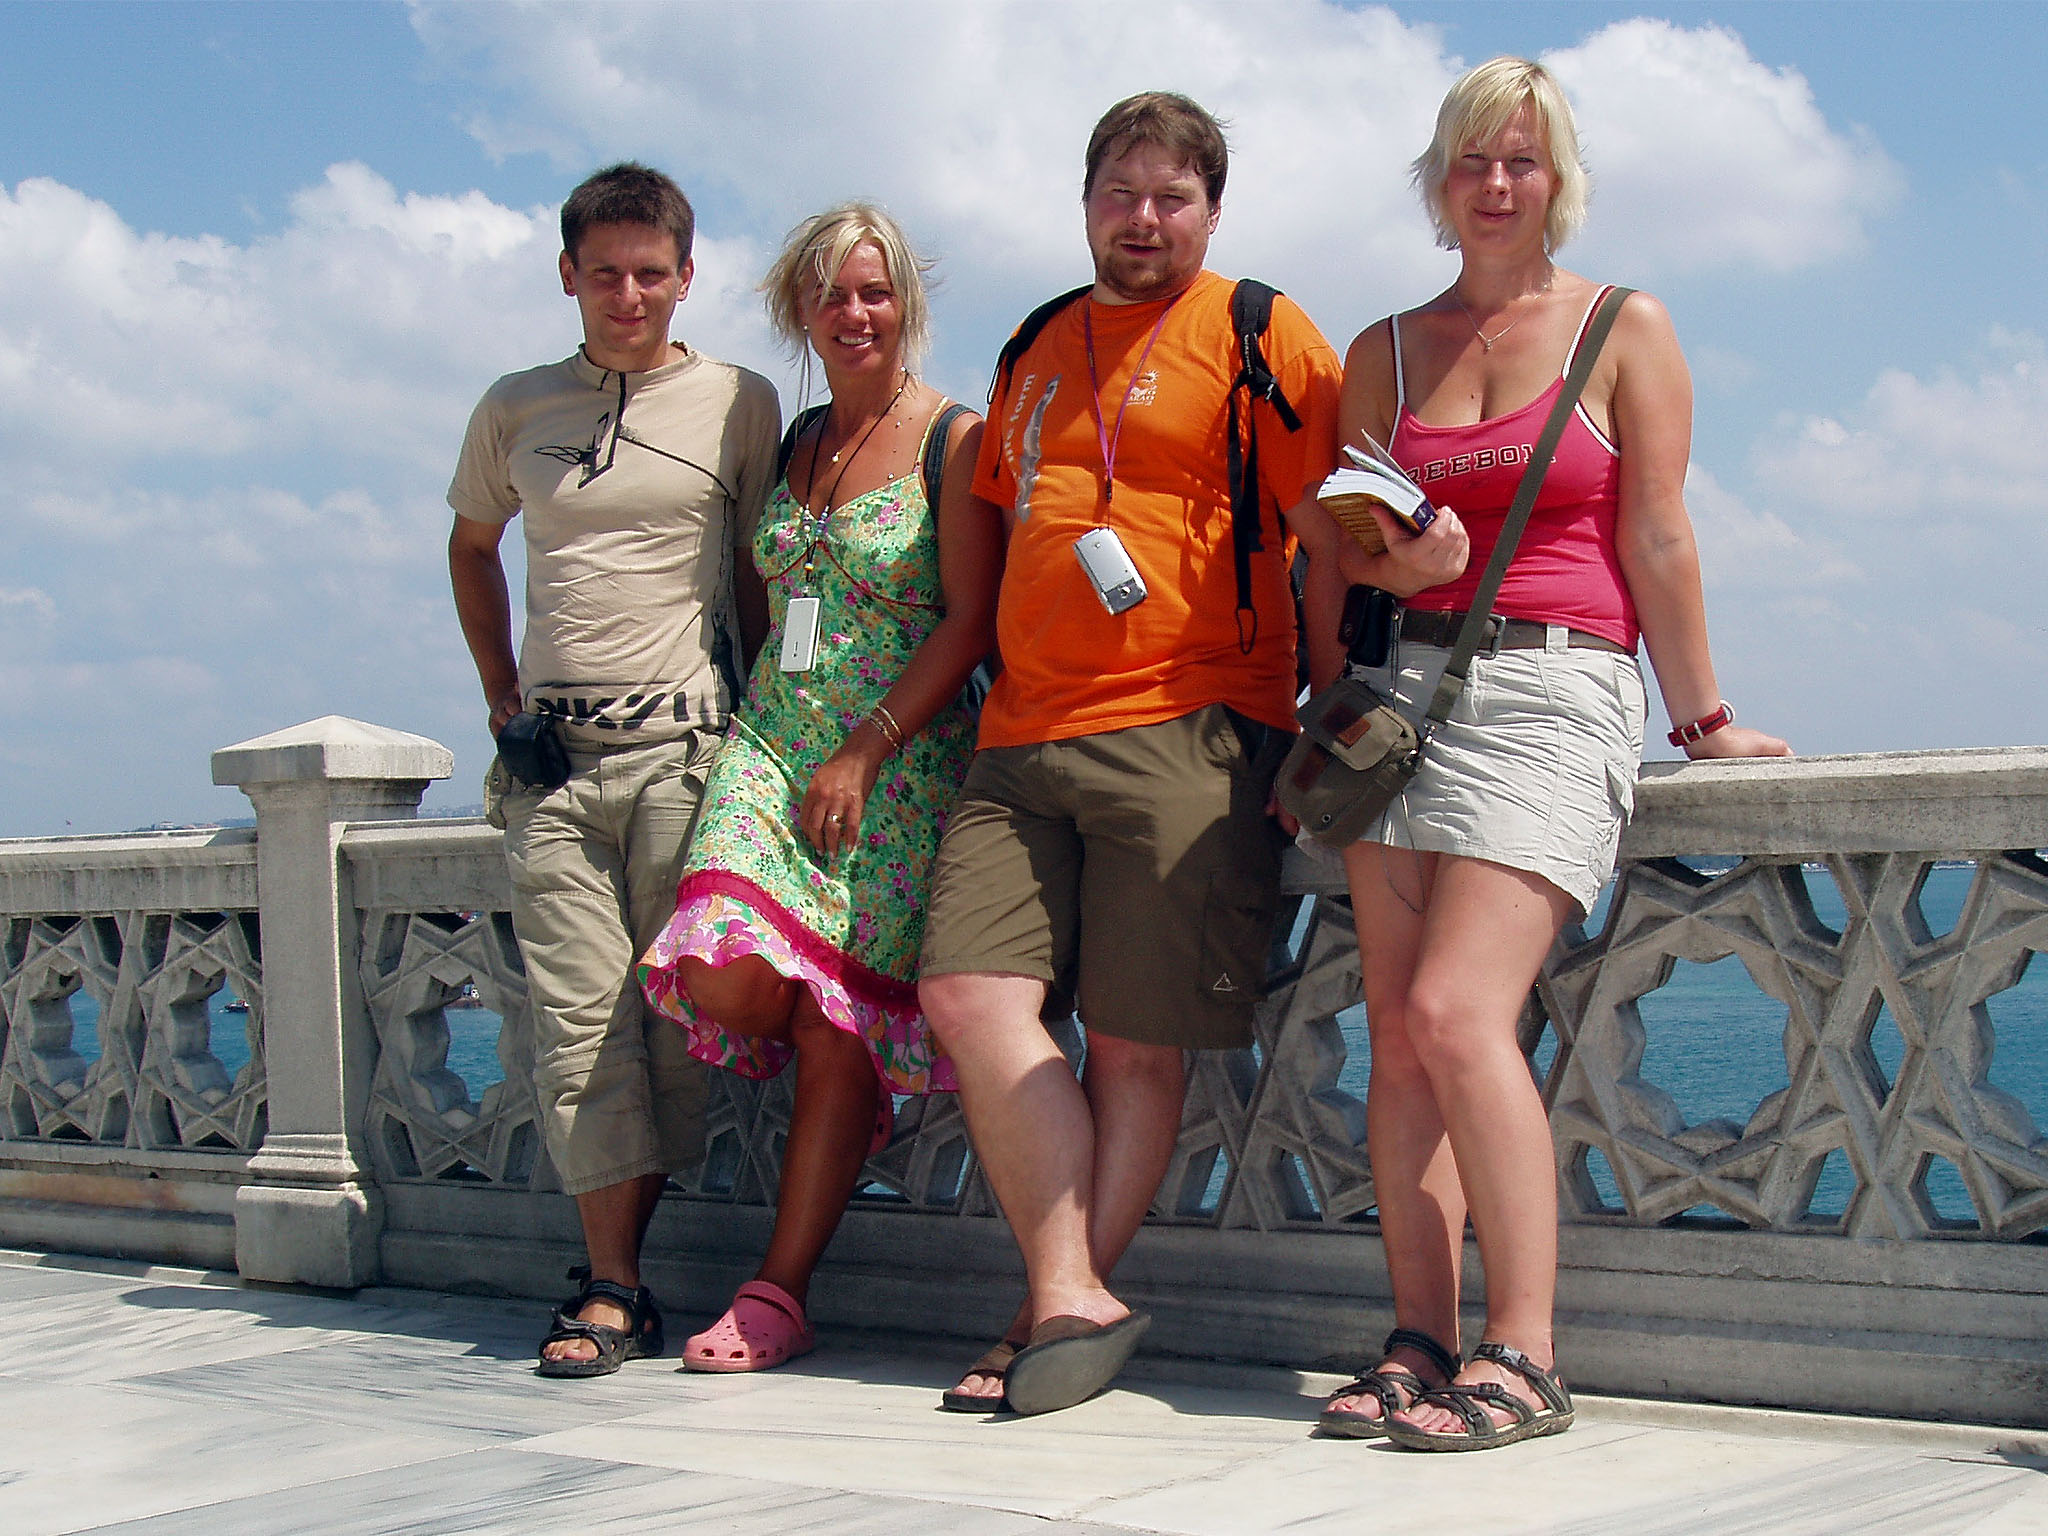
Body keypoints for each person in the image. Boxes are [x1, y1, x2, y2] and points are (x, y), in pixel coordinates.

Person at [917, 91, 1450, 1418]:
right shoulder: (1035, 342)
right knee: (968, 995)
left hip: (1194, 719)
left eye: (1172, 197)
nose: (1142, 218)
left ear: (1212, 212)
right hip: (1020, 730)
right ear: (1085, 201)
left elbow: (1336, 530)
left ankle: (1050, 1315)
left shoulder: (1261, 333)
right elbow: (1009, 530)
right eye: (1121, 192)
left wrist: (1331, 706)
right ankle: (1070, 1294)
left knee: (1135, 1045)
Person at [1301, 57, 1791, 1451]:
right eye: (1472, 159)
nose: (1496, 183)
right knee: (1397, 1034)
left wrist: (1700, 720)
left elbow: (1657, 532)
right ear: (1438, 179)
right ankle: (1419, 1337)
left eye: (1520, 159)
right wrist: (1394, 581)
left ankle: (1524, 1351)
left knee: (1457, 1013)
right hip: (1399, 699)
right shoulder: (1385, 351)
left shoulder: (1623, 326)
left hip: (1555, 689)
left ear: (1557, 179)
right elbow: (1344, 537)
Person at [637, 204, 999, 1372]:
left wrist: (867, 747)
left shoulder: (953, 438)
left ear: (907, 305)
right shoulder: (794, 439)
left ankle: (775, 1293)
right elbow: (762, 597)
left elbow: (971, 619)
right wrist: (781, 720)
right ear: (799, 308)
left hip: (896, 764)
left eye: (874, 292)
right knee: (724, 964)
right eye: (831, 294)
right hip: (772, 743)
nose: (854, 314)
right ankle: (853, 1108)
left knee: (833, 1017)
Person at [447, 162, 779, 1378]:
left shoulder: (737, 401)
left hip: (685, 753)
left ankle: (622, 1277)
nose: (627, 295)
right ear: (567, 276)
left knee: (673, 1026)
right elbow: (471, 545)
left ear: (686, 277)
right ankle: (611, 1286)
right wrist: (500, 692)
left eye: (649, 274)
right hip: (553, 769)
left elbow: (755, 569)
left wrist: (768, 728)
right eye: (604, 274)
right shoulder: (514, 406)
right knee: (578, 1025)